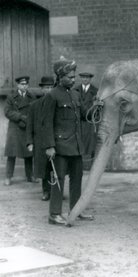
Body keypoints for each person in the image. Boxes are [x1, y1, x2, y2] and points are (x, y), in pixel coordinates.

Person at [41, 57, 94, 225]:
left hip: (76, 145)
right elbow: (46, 123)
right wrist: (49, 146)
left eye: (74, 77)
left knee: (77, 179)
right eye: (70, 77)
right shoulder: (52, 96)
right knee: (58, 180)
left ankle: (76, 210)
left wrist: (98, 106)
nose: (73, 79)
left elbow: (86, 115)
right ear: (60, 76)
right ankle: (54, 214)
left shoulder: (75, 94)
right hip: (60, 147)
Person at [26, 76, 55, 201]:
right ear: (42, 89)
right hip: (39, 142)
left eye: (50, 87)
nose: (48, 90)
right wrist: (29, 142)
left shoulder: (57, 103)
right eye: (46, 88)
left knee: (55, 168)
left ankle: (56, 191)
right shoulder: (34, 105)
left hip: (54, 141)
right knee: (43, 169)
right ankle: (46, 191)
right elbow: (29, 126)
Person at [3, 76, 35, 186]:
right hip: (15, 128)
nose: (24, 86)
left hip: (27, 127)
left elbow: (34, 111)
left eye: (26, 84)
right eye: (22, 84)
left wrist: (28, 120)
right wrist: (20, 116)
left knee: (29, 152)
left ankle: (30, 175)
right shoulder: (11, 97)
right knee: (11, 153)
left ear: (28, 85)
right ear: (18, 85)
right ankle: (8, 177)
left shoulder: (32, 97)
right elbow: (7, 112)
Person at [75, 72, 98, 166]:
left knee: (91, 143)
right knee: (79, 142)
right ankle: (78, 164)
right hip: (79, 121)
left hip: (90, 121)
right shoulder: (75, 90)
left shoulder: (95, 91)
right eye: (83, 77)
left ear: (90, 79)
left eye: (87, 78)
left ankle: (91, 165)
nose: (85, 79)